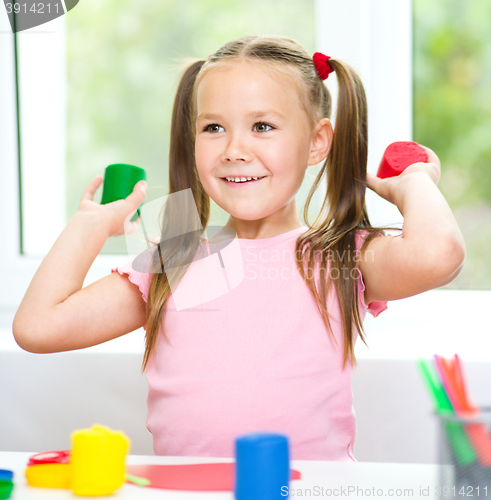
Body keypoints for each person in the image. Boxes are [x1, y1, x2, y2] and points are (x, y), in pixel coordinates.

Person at [12, 34, 465, 461]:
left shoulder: (340, 256)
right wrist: (90, 225)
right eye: (213, 127)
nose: (233, 149)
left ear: (317, 141)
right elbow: (39, 327)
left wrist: (414, 185)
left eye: (262, 126)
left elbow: (438, 256)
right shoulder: (176, 256)